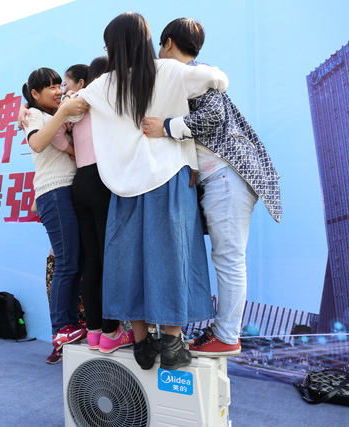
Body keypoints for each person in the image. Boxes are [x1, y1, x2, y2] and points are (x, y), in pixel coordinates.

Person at [72, 12, 228, 370]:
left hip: (125, 184)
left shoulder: (103, 85)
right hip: (169, 176)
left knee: (127, 261)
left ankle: (142, 343)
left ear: (113, 47)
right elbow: (216, 79)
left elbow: (73, 108)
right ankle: (172, 342)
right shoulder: (169, 70)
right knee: (172, 254)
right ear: (146, 41)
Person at [141, 18, 282, 357]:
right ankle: (222, 331)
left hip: (227, 176)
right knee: (226, 257)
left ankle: (228, 335)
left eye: (160, 47)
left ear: (168, 43)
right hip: (220, 177)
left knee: (229, 259)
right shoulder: (195, 76)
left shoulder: (194, 75)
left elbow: (212, 116)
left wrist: (166, 127)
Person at [55, 58, 133, 354]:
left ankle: (94, 332)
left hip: (81, 182)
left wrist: (73, 151)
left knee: (92, 261)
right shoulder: (107, 99)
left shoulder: (76, 102)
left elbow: (56, 132)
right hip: (103, 181)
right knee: (109, 259)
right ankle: (112, 332)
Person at [21, 67, 90, 363]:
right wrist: (61, 113)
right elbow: (37, 143)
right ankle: (61, 328)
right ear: (35, 94)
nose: (57, 90)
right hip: (53, 192)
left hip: (71, 191)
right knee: (66, 262)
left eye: (59, 85)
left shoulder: (60, 111)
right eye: (50, 87)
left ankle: (71, 326)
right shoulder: (34, 116)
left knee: (76, 262)